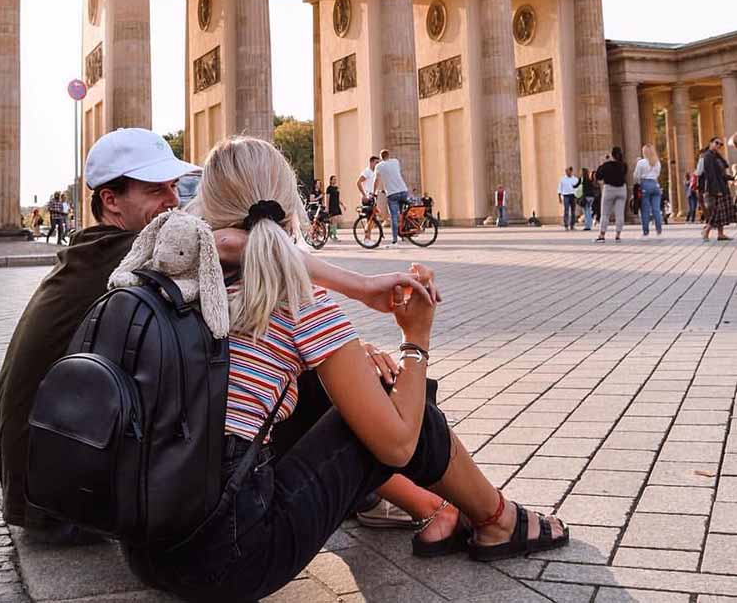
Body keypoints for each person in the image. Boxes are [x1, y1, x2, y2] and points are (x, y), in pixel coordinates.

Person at [140, 136, 568, 601]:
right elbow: (398, 444)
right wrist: (416, 339)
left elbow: (247, 248)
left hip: (148, 547)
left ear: (207, 200)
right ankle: (498, 520)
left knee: (330, 392)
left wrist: (357, 288)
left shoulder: (170, 275)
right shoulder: (294, 299)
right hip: (230, 561)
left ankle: (449, 509)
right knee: (397, 409)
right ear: (288, 202)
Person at [0, 128, 434, 540]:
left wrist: (344, 346)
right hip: (69, 506)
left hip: (59, 484)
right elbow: (244, 245)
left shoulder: (99, 252)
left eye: (173, 186)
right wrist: (360, 290)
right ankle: (414, 500)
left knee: (276, 359)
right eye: (156, 190)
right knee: (302, 376)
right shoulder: (135, 253)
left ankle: (397, 495)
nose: (174, 201)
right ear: (111, 200)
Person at [698, 136, 735, 242]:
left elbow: (721, 174)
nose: (718, 145)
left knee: (721, 213)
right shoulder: (707, 156)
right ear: (711, 143)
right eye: (716, 143)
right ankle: (706, 231)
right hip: (715, 188)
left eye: (720, 144)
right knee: (716, 212)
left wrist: (731, 178)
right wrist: (716, 190)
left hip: (722, 186)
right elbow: (711, 175)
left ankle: (720, 234)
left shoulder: (717, 156)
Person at [373, 149, 409, 246]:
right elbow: (394, 175)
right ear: (389, 155)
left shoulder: (379, 166)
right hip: (403, 190)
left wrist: (374, 192)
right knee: (402, 214)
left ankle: (395, 239)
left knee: (394, 216)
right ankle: (405, 234)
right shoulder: (395, 161)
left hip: (392, 194)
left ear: (381, 157)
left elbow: (377, 180)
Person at [595, 147, 628, 243]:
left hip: (609, 189)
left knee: (605, 213)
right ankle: (618, 235)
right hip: (621, 189)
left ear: (612, 155)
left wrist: (603, 162)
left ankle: (602, 235)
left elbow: (598, 176)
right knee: (620, 214)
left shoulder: (607, 165)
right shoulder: (624, 165)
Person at [634, 144, 663, 236]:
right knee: (656, 209)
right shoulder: (657, 162)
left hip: (645, 184)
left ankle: (646, 230)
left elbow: (637, 176)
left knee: (645, 209)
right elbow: (657, 174)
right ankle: (659, 229)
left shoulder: (641, 162)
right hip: (655, 184)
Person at [325, 175, 344, 242]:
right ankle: (334, 235)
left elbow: (337, 198)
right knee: (334, 220)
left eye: (335, 179)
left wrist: (342, 205)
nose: (335, 180)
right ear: (330, 180)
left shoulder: (336, 188)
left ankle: (331, 233)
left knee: (338, 219)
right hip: (331, 205)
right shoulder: (329, 188)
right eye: (333, 179)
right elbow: (327, 198)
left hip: (336, 205)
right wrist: (327, 207)